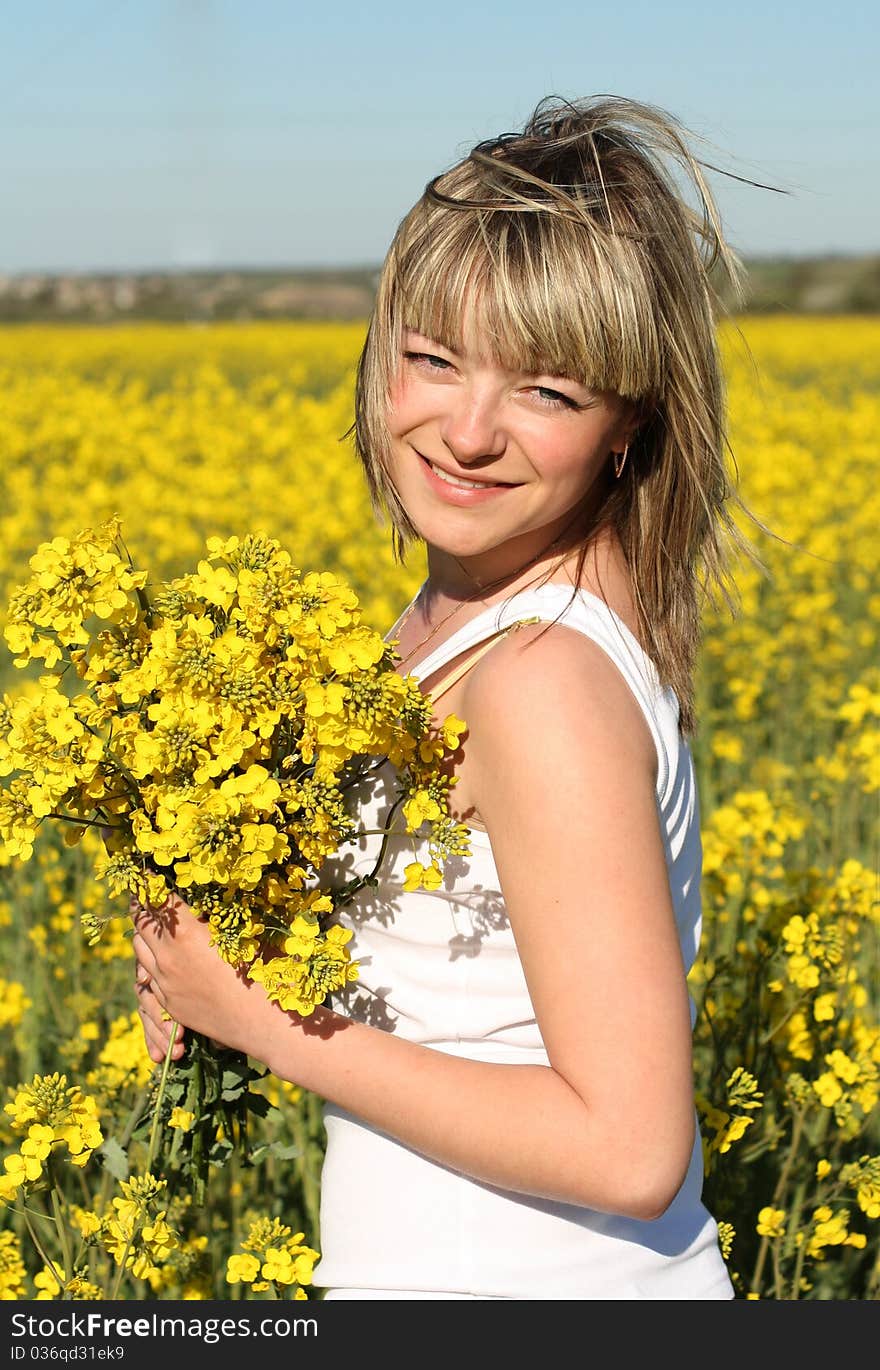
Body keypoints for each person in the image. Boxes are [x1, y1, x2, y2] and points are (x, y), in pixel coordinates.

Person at [132, 93, 754, 1300]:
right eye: (432, 358)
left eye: (548, 392)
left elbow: (628, 1150)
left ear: (631, 423)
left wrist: (259, 1016)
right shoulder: (457, 625)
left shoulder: (540, 682)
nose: (465, 431)